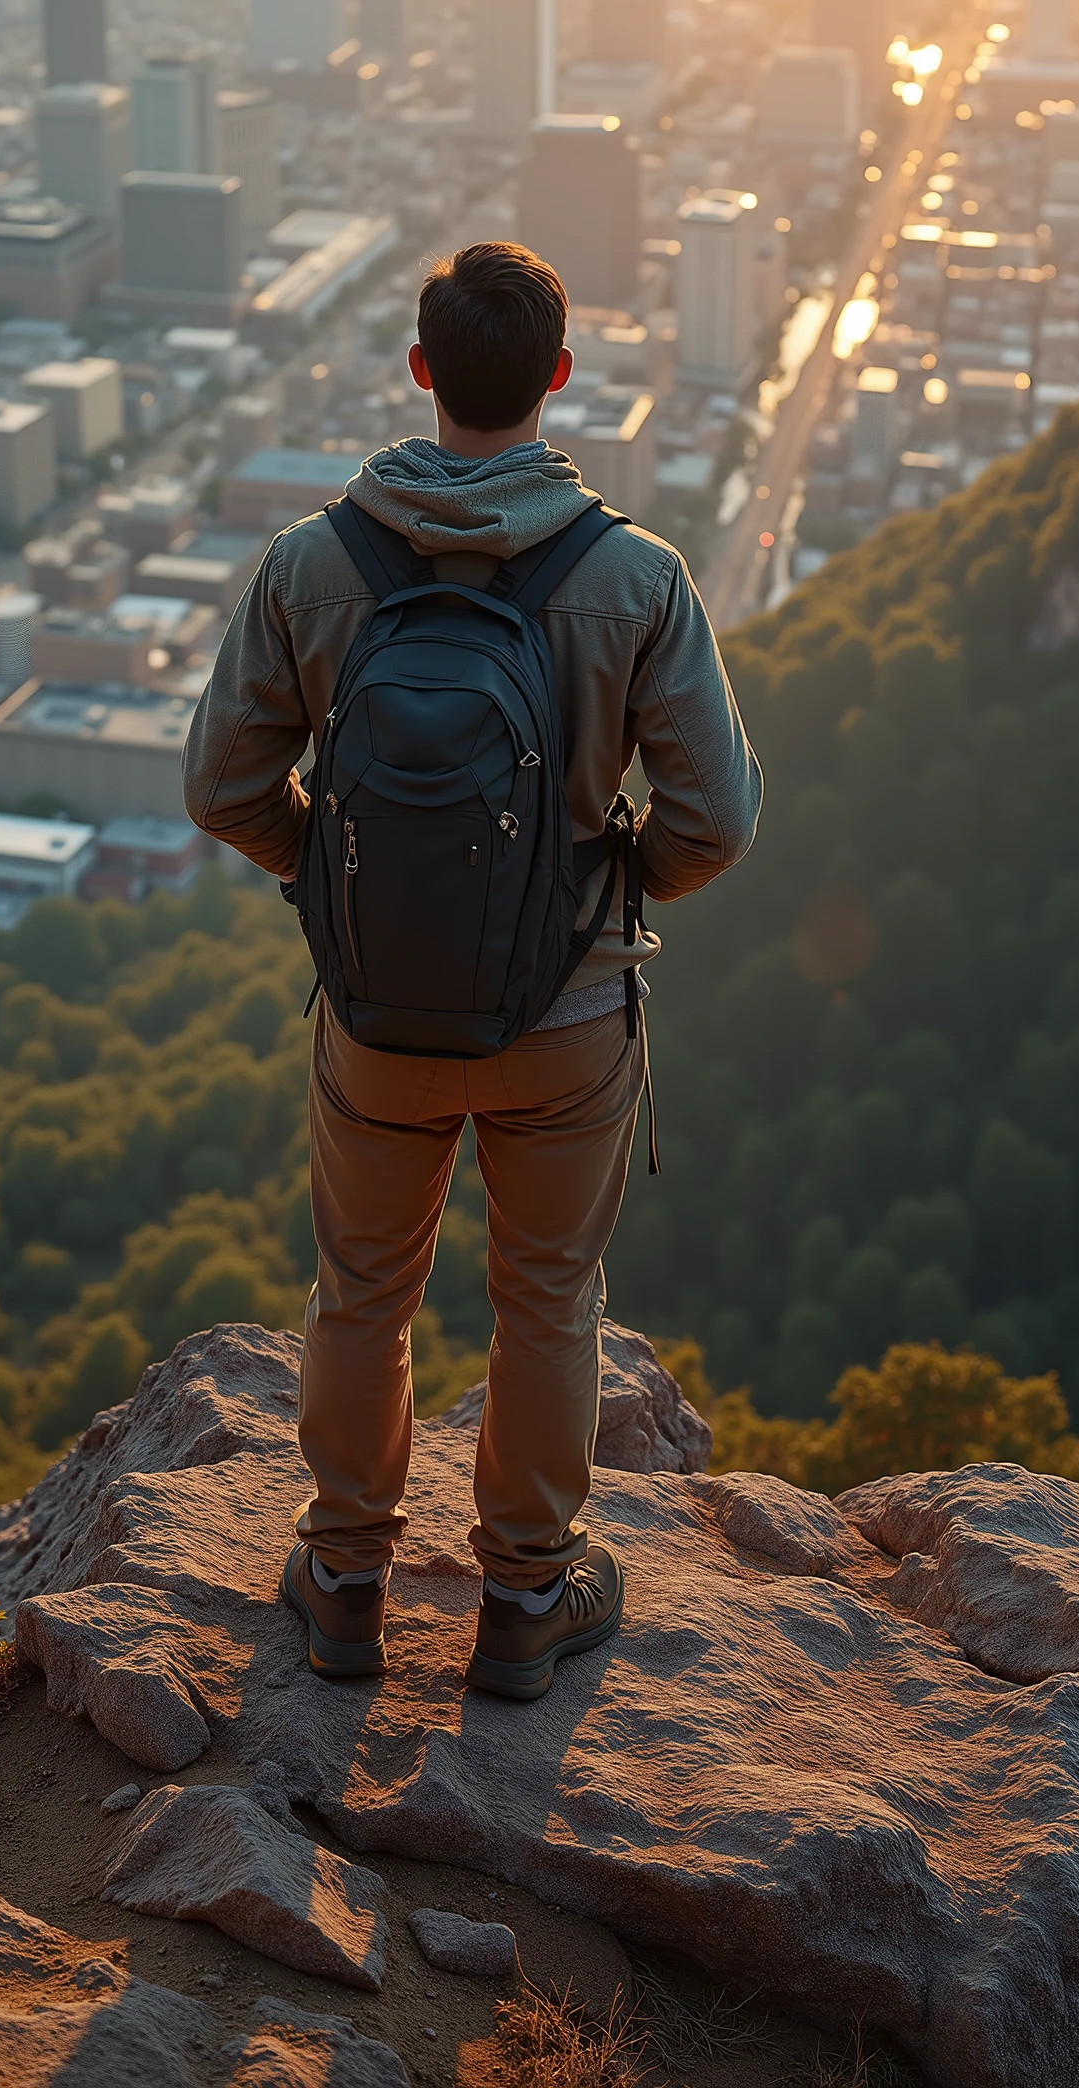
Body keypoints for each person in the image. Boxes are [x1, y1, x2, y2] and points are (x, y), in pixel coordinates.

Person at [183, 240, 761, 1699]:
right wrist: (615, 886)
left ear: (421, 371)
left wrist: (324, 879)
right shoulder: (635, 578)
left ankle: (344, 1580)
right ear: (559, 378)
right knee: (548, 1298)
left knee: (360, 1294)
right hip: (570, 1018)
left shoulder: (312, 567)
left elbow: (220, 784)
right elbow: (720, 819)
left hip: (376, 1017)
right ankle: (525, 1597)